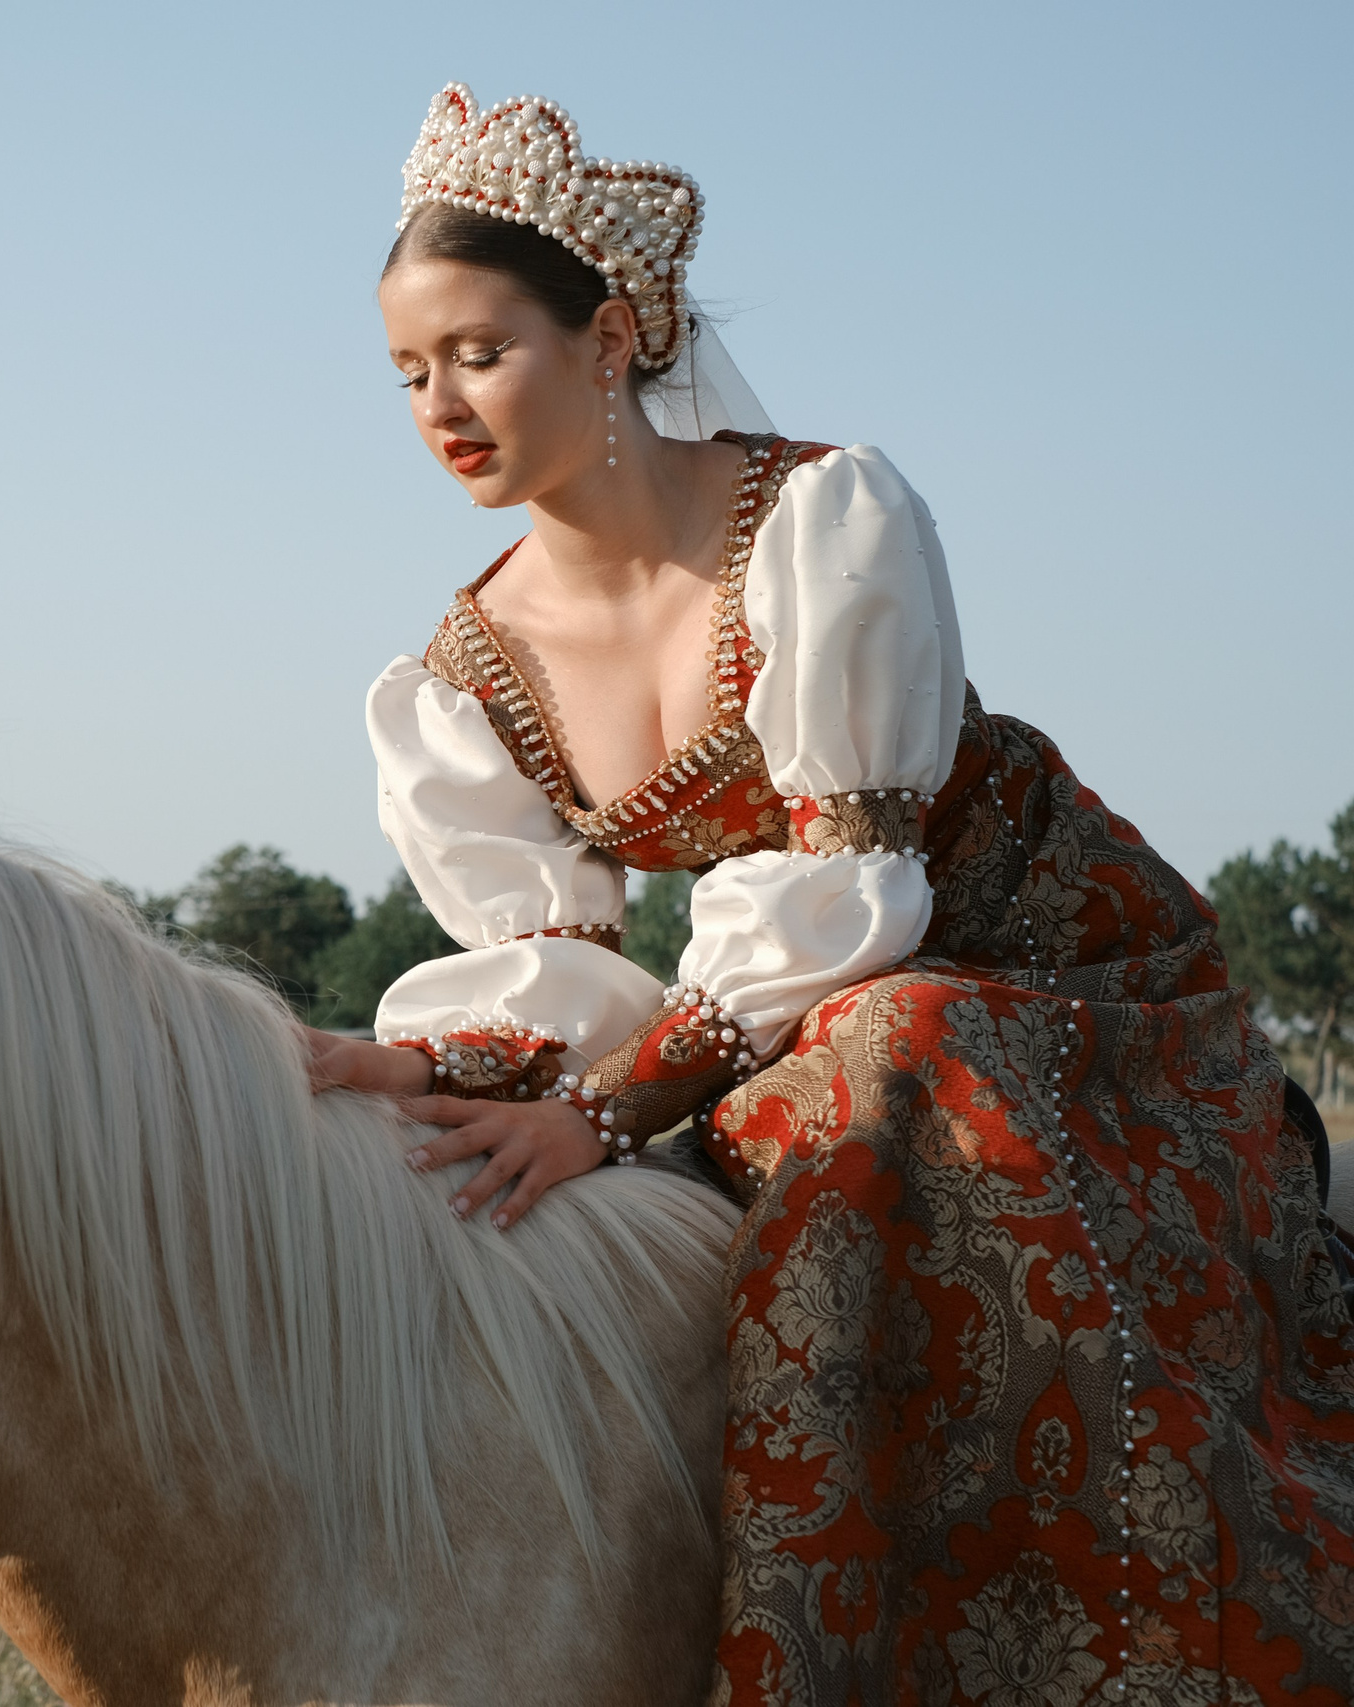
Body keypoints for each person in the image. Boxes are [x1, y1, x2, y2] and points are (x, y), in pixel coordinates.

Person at [303, 84, 1354, 1703]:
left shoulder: (816, 517)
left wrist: (611, 1106)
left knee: (891, 1055)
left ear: (611, 336)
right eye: (407, 371)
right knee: (835, 1066)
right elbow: (553, 950)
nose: (441, 404)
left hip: (1039, 954)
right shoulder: (459, 671)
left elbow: (855, 878)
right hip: (803, 999)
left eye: (481, 352)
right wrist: (452, 1066)